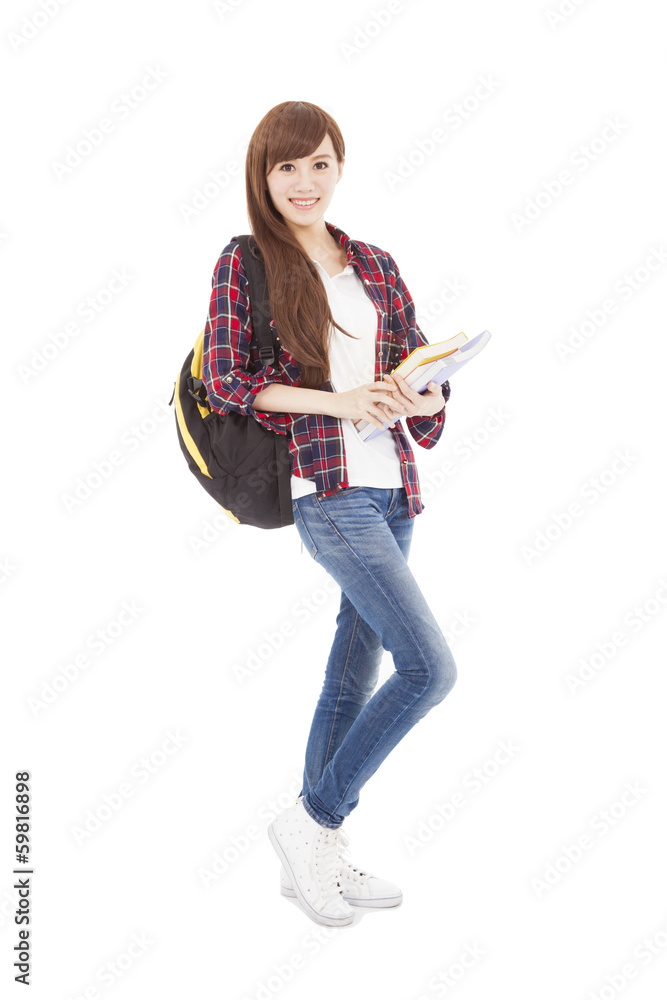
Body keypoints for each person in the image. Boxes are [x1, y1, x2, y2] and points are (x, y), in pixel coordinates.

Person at [202, 101, 457, 928]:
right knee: (429, 670)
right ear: (262, 177)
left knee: (354, 676)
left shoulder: (375, 262)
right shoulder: (247, 263)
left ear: (339, 165)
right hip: (327, 492)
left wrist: (423, 385)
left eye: (319, 163)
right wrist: (339, 399)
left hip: (392, 489)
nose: (305, 182)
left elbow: (417, 382)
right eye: (286, 168)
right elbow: (227, 380)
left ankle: (314, 858)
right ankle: (312, 822)